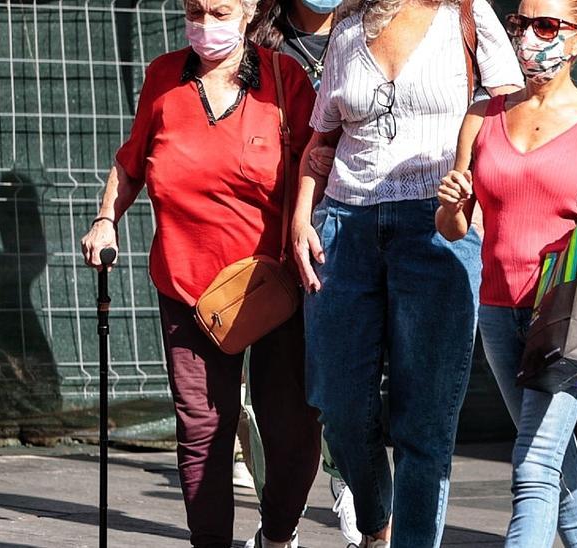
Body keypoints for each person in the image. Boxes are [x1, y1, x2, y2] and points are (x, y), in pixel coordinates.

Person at [78, 1, 321, 547]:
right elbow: (132, 160)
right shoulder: (164, 77)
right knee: (203, 431)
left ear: (250, 9)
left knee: (293, 433)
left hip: (273, 287)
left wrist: (306, 222)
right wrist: (105, 220)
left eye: (219, 10)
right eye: (195, 9)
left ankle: (278, 537)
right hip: (186, 285)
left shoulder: (284, 80)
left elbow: (315, 159)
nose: (205, 24)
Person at [288, 0, 523, 545]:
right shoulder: (346, 26)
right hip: (345, 225)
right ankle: (376, 525)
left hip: (436, 221)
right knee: (340, 405)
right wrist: (303, 216)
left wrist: (464, 171)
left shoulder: (467, 13)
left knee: (426, 421)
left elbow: (502, 100)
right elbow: (321, 140)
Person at [436, 0, 577, 544]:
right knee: (559, 467)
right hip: (498, 308)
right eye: (522, 24)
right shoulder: (483, 114)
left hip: (570, 309)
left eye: (547, 25)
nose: (530, 36)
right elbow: (455, 228)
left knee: (534, 464)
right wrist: (450, 203)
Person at [246, 1, 366, 545]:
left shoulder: (375, 31)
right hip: (277, 239)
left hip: (360, 227)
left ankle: (357, 495)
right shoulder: (256, 46)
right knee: (280, 399)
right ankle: (279, 525)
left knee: (354, 383)